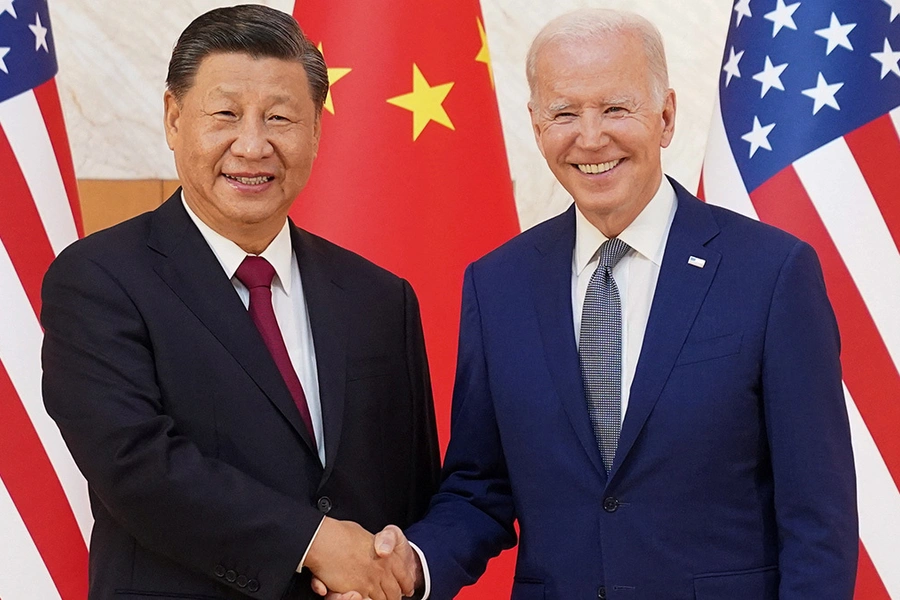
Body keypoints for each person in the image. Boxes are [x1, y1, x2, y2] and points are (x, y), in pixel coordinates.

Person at [319, 7, 858, 600]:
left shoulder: (773, 273)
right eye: (564, 113)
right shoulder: (498, 284)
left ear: (666, 116)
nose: (590, 137)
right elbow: (481, 487)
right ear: (535, 123)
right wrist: (413, 566)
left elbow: (818, 519)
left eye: (616, 108)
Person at [41, 5, 439, 600]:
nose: (252, 146)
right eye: (225, 114)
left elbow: (410, 490)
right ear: (175, 118)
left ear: (315, 132)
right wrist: (314, 543)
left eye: (280, 118)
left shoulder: (380, 297)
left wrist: (389, 568)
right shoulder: (97, 279)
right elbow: (137, 469)